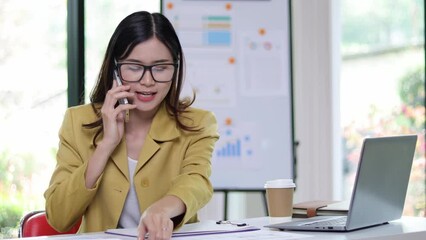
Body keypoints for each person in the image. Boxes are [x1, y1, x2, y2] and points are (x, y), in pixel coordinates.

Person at [44, 11, 219, 240]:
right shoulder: (79, 122)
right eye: (135, 67)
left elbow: (196, 181)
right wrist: (106, 145)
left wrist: (161, 210)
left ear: (175, 69)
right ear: (115, 68)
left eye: (160, 67)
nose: (148, 82)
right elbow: (58, 216)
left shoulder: (197, 124)